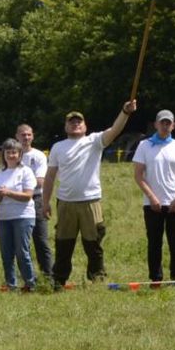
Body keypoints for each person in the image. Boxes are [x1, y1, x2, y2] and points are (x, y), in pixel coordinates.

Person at [43, 99, 137, 287]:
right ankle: (59, 280)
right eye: (71, 121)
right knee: (63, 244)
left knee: (93, 243)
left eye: (79, 121)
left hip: (90, 201)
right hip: (66, 203)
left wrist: (125, 112)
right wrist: (45, 202)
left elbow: (115, 130)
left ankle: (97, 278)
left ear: (85, 126)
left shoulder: (94, 141)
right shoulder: (57, 147)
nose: (75, 124)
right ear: (65, 126)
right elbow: (50, 176)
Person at [133, 109, 175, 283]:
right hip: (152, 204)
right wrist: (152, 198)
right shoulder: (144, 146)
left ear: (173, 125)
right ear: (156, 124)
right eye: (162, 122)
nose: (165, 126)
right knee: (154, 243)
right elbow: (138, 175)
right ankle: (156, 279)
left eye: (168, 123)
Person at [0, 138, 38, 291]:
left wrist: (8, 192)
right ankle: (11, 284)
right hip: (4, 217)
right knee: (6, 253)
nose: (11, 155)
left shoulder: (26, 171)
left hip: (23, 216)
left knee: (21, 251)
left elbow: (28, 196)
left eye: (14, 152)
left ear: (20, 155)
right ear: (3, 155)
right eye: (8, 152)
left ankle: (30, 283)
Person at [15, 124, 53, 283]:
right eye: (23, 135)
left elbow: (40, 181)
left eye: (29, 135)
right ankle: (28, 277)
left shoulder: (38, 156)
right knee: (21, 242)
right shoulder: (12, 154)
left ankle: (49, 276)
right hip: (16, 201)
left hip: (36, 200)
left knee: (41, 239)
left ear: (33, 136)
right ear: (17, 136)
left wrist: (17, 186)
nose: (26, 138)